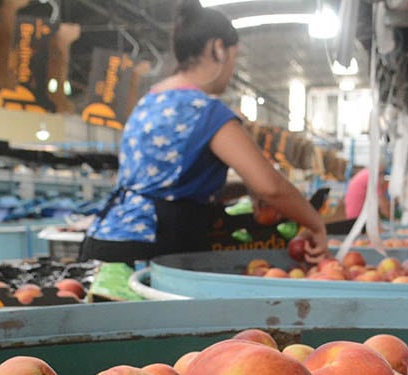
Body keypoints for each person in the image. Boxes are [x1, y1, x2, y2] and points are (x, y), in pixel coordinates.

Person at [82, 0, 328, 266]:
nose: (232, 70)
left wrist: (241, 188)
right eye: (234, 57)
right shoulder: (206, 111)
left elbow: (169, 185)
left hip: (108, 239)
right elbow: (270, 186)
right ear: (218, 49)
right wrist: (315, 223)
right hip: (151, 247)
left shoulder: (150, 101)